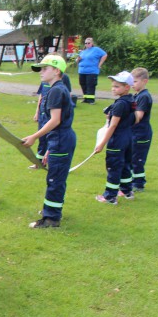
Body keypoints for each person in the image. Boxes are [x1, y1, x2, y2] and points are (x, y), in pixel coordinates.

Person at [22, 55, 77, 227]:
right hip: (59, 139)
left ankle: (51, 219)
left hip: (61, 139)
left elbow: (55, 120)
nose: (41, 72)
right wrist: (48, 148)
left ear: (57, 71)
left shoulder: (55, 91)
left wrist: (34, 137)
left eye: (45, 68)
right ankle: (52, 210)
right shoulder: (56, 89)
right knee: (55, 178)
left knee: (55, 180)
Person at [94, 71, 135, 204]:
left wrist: (101, 144)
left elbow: (112, 126)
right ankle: (127, 191)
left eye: (117, 86)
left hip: (117, 140)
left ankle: (110, 196)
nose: (113, 89)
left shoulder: (120, 104)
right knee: (124, 165)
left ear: (126, 87)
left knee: (113, 167)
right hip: (129, 138)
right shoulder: (130, 100)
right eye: (113, 86)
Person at [130, 68, 152, 192]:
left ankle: (138, 184)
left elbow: (138, 116)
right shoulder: (137, 95)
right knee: (132, 157)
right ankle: (134, 180)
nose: (133, 84)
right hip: (134, 132)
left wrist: (124, 118)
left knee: (138, 159)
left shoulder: (144, 97)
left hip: (142, 134)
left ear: (145, 81)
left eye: (135, 81)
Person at [76, 37, 107, 104]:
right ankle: (85, 99)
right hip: (82, 70)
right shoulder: (83, 52)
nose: (87, 44)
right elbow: (77, 61)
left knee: (90, 85)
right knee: (83, 84)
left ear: (92, 43)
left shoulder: (96, 49)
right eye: (86, 43)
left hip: (92, 71)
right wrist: (78, 59)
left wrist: (100, 64)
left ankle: (91, 100)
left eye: (88, 43)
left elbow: (104, 55)